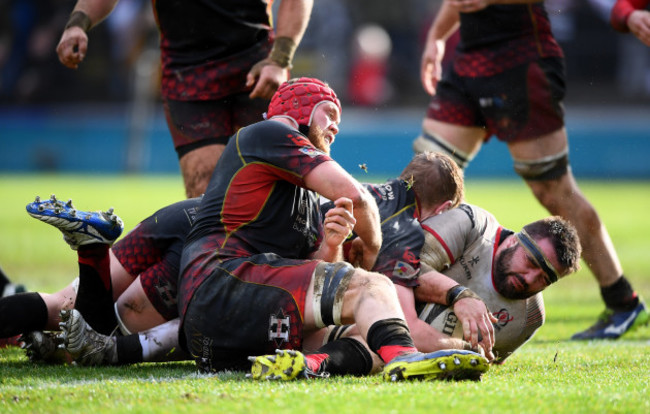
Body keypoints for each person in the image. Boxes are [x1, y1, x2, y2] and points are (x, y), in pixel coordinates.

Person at [177, 77, 488, 382]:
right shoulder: (269, 131)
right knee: (374, 287)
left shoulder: (307, 199)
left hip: (228, 328)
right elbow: (356, 197)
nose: (336, 128)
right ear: (299, 108)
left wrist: (333, 242)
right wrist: (373, 244)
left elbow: (318, 269)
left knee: (371, 335)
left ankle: (309, 365)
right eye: (330, 113)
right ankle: (406, 358)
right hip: (220, 284)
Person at [411, 0, 648, 340]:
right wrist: (436, 36)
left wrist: (626, 12)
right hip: (468, 59)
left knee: (554, 190)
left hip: (521, 59)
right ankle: (389, 278)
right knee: (425, 176)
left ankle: (623, 302)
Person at [56, 0, 314, 198]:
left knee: (277, 188)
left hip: (258, 65)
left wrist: (280, 59)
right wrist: (78, 23)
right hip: (187, 72)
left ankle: (287, 262)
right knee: (204, 190)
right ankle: (214, 265)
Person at [0, 194, 201, 364]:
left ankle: (93, 247)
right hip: (214, 243)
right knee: (104, 339)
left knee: (61, 307)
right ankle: (92, 252)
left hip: (184, 213)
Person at [415, 203, 582, 363]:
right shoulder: (471, 225)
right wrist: (459, 296)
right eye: (531, 262)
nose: (530, 279)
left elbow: (484, 362)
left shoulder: (529, 318)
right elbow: (398, 268)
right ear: (513, 241)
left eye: (544, 279)